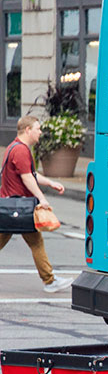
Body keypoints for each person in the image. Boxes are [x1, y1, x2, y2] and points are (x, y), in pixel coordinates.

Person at [0, 115, 70, 292]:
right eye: (37, 129)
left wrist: (51, 183)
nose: (40, 132)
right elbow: (27, 178)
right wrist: (42, 199)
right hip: (17, 208)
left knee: (36, 242)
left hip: (11, 207)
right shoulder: (21, 150)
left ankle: (50, 280)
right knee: (36, 243)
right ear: (28, 130)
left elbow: (32, 175)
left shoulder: (14, 148)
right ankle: (50, 281)